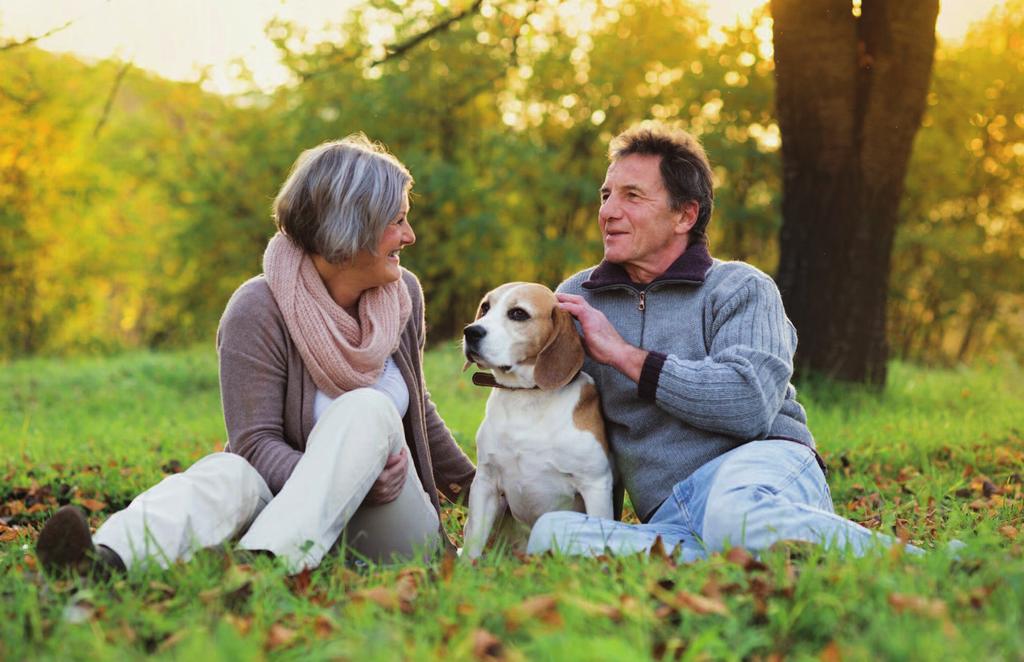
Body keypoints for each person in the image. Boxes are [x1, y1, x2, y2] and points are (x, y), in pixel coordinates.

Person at [36, 134, 475, 575]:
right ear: (352, 224)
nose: (410, 236)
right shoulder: (258, 309)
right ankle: (104, 560)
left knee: (367, 407)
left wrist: (486, 492)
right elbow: (255, 444)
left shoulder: (403, 296)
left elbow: (422, 414)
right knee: (227, 471)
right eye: (397, 221)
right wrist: (344, 480)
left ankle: (264, 570)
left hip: (389, 529)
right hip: (289, 516)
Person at [526, 122, 912, 559]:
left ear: (684, 215)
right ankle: (733, 556)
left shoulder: (740, 287)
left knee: (735, 515)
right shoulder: (577, 298)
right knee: (553, 535)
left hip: (760, 471)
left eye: (632, 196)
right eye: (606, 195)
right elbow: (553, 409)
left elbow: (747, 405)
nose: (609, 211)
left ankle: (932, 563)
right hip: (669, 514)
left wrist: (621, 355)